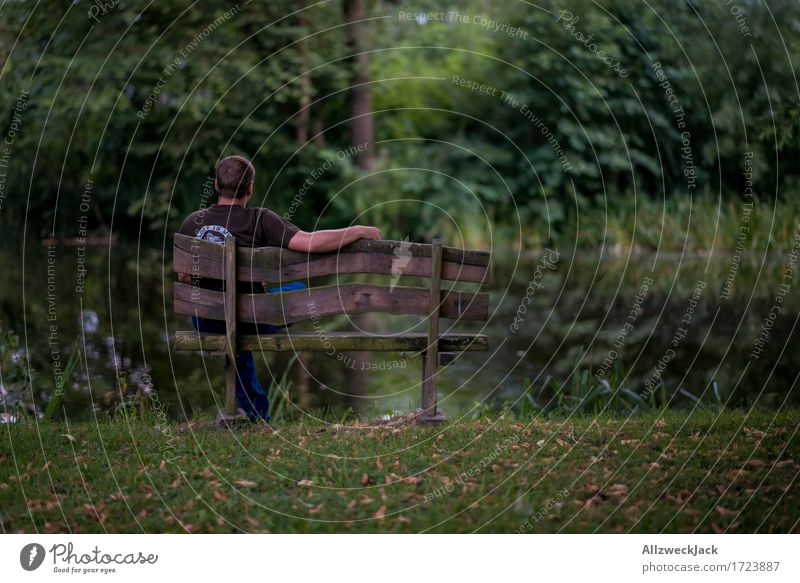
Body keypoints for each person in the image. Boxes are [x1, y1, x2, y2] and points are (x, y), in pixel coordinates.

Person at [178, 155, 381, 422]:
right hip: (252, 319)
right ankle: (255, 414)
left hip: (205, 320)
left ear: (216, 185)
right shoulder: (260, 220)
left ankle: (255, 413)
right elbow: (309, 242)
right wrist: (356, 230)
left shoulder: (193, 222)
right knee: (296, 289)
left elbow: (183, 276)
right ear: (250, 188)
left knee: (236, 334)